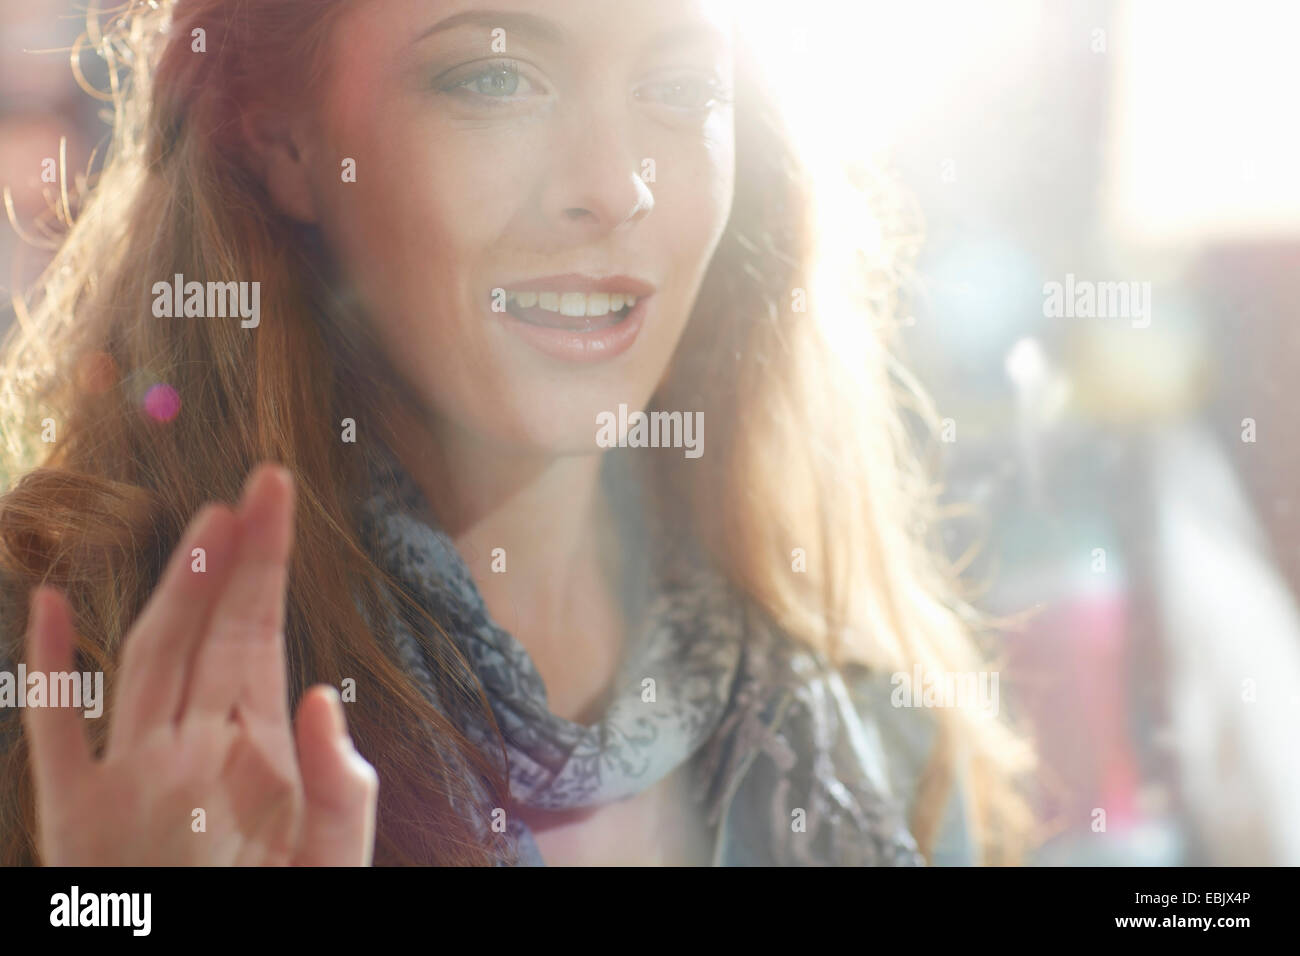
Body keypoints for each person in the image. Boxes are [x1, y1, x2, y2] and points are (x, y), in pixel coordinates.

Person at [0, 0, 1033, 866]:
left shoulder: (872, 729)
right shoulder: (53, 672)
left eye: (680, 88)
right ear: (281, 133)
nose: (612, 186)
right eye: (494, 80)